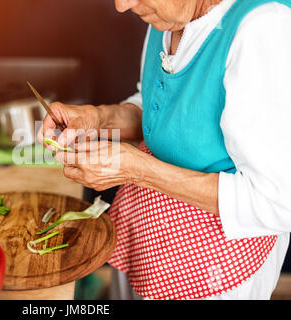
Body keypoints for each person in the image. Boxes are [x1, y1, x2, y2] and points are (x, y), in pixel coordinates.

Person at [38, 0, 291, 300]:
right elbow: (159, 106)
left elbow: (276, 202)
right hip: (146, 242)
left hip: (212, 273)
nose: (122, 6)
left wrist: (137, 170)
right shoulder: (168, 16)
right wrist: (98, 119)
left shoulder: (263, 29)